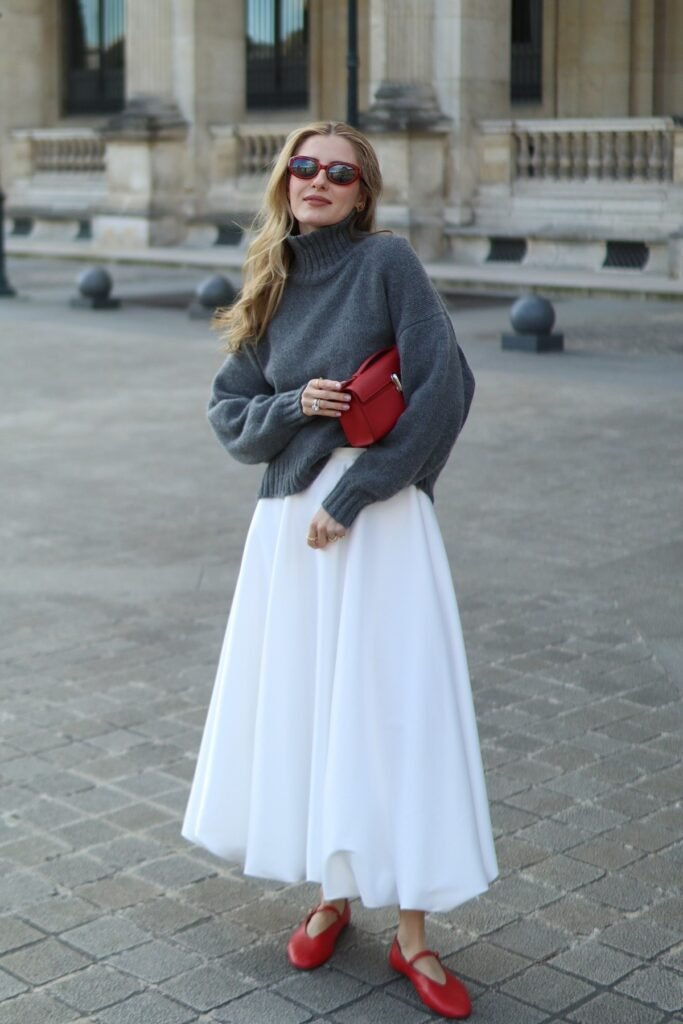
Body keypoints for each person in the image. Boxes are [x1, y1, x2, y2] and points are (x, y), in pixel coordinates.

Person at [182, 121, 497, 1020]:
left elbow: (445, 388)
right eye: (304, 166)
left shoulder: (386, 263)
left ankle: (414, 936)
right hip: (288, 530)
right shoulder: (271, 282)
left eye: (339, 172)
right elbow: (230, 414)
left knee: (392, 711)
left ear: (364, 192)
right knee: (312, 707)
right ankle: (329, 893)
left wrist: (355, 494)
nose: (318, 180)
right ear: (285, 180)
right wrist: (294, 402)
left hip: (378, 519)